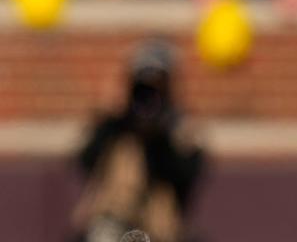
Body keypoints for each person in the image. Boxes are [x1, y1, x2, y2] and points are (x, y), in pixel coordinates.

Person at [72, 40, 205, 242]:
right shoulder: (116, 126)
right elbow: (85, 160)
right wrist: (111, 115)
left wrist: (160, 136)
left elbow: (188, 175)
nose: (148, 97)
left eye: (157, 88)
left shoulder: (179, 130)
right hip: (111, 225)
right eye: (143, 87)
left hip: (160, 228)